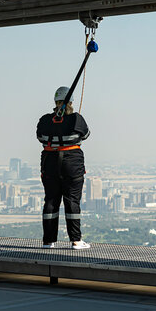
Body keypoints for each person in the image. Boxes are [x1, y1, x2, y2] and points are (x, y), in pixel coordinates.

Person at [36, 86, 91, 249]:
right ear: (72, 102)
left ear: (55, 101)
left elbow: (40, 137)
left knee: (51, 201)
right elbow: (86, 135)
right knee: (72, 201)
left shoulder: (45, 120)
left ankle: (48, 240)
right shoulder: (76, 119)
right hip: (72, 164)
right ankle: (76, 240)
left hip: (50, 163)